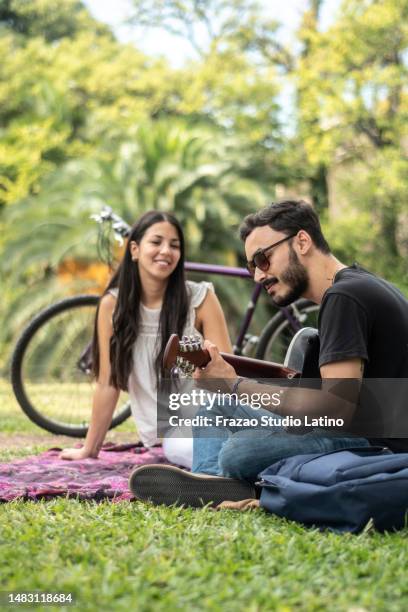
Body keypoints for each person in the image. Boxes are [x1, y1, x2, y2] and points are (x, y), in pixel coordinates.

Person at [129, 199, 408, 507]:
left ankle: (227, 483)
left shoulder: (344, 296)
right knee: (215, 408)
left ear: (302, 241)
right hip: (348, 430)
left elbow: (336, 407)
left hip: (375, 445)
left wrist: (235, 384)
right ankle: (215, 487)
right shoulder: (356, 286)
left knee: (240, 452)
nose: (258, 276)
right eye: (251, 267)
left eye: (263, 259)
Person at [61, 210, 232, 467]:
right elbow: (108, 382)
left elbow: (228, 374)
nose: (166, 251)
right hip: (178, 430)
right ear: (134, 250)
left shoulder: (201, 299)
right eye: (156, 242)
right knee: (182, 448)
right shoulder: (112, 306)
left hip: (219, 415)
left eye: (175, 246)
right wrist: (90, 448)